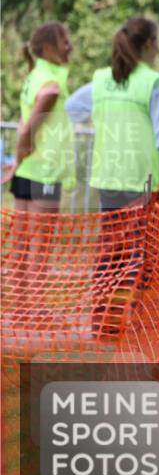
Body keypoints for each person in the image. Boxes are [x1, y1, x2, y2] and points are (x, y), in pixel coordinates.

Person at [66, 16, 159, 337]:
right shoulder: (154, 83)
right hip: (147, 184)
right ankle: (138, 329)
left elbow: (71, 109)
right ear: (150, 44)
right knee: (142, 261)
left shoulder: (103, 80)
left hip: (110, 180)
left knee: (112, 258)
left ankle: (105, 327)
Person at [2, 22, 77, 300]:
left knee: (23, 243)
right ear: (47, 48)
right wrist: (21, 149)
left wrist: (17, 162)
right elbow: (30, 124)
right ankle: (36, 310)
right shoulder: (50, 81)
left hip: (29, 169)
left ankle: (24, 307)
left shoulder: (34, 75)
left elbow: (24, 120)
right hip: (44, 172)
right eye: (64, 41)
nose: (69, 46)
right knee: (40, 246)